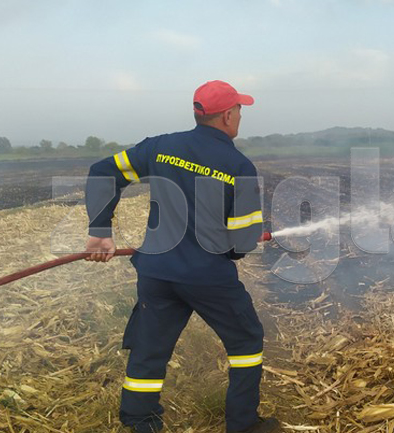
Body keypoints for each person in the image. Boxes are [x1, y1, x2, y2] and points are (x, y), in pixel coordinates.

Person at [84, 80, 280, 433]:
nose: (240, 116)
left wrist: (100, 231)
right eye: (238, 110)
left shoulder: (160, 147)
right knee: (246, 341)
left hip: (156, 273)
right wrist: (244, 240)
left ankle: (140, 422)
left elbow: (103, 172)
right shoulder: (238, 165)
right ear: (226, 116)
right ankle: (244, 425)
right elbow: (241, 245)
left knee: (150, 348)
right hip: (208, 277)